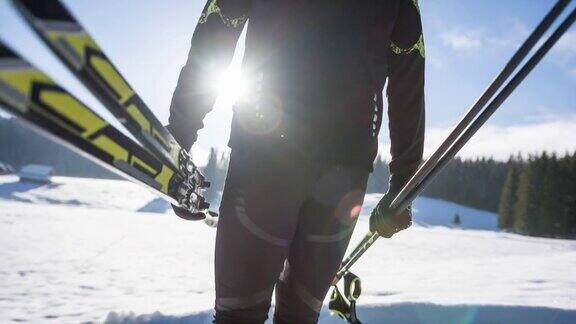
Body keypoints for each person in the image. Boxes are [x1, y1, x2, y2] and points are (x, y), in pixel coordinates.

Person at [167, 0, 425, 323]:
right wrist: (405, 179)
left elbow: (220, 21)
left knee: (242, 313)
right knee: (296, 316)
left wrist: (180, 131)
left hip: (270, 156)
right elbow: (409, 69)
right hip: (337, 170)